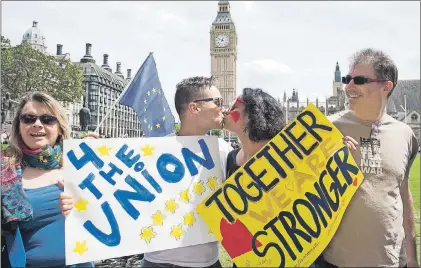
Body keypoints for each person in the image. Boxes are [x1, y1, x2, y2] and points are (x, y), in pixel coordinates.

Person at [60, 76, 232, 268]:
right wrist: (88, 159)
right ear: (194, 107)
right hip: (158, 262)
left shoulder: (223, 150)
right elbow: (111, 190)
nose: (223, 108)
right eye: (217, 102)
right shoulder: (152, 149)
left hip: (206, 262)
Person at [223, 88, 357, 268]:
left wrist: (338, 150)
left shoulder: (294, 155)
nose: (227, 109)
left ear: (253, 113)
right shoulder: (231, 158)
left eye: (235, 105)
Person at [321, 48, 419, 267]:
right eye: (347, 79)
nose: (348, 87)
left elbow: (403, 193)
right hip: (335, 262)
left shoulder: (405, 134)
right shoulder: (326, 129)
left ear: (386, 87)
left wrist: (412, 258)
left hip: (392, 261)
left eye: (360, 80)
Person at [1, 92, 95, 267]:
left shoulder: (80, 165)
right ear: (18, 126)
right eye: (29, 118)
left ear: (59, 127)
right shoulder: (5, 169)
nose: (37, 124)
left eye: (47, 119)